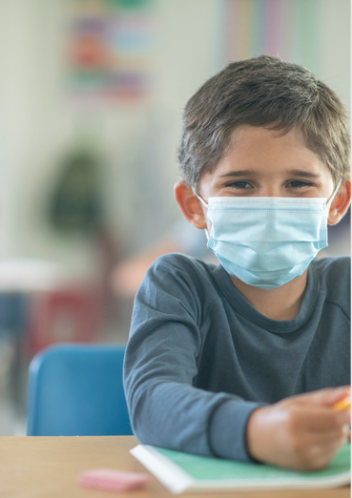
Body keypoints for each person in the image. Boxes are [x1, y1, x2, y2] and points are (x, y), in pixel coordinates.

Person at [123, 56, 351, 473]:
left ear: (336, 202)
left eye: (298, 183)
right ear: (195, 207)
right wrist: (258, 430)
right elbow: (152, 402)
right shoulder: (177, 285)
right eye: (240, 183)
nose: (271, 206)